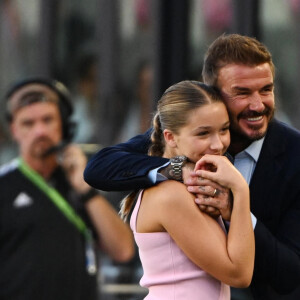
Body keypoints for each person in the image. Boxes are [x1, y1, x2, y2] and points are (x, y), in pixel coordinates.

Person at [84, 34, 300, 299]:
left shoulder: (295, 155)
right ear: (213, 94)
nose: (257, 105)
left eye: (266, 90)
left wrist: (236, 208)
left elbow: (290, 271)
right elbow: (99, 167)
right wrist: (176, 169)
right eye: (242, 93)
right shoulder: (181, 139)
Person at [0, 78, 135, 300]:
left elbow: (123, 250)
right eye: (28, 123)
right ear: (15, 130)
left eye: (48, 120)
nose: (40, 131)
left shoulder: (78, 183)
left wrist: (85, 189)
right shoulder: (4, 186)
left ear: (62, 124)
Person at [121, 80, 254, 299]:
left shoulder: (190, 186)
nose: (218, 144)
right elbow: (239, 274)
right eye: (203, 134)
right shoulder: (171, 195)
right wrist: (240, 189)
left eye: (224, 130)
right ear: (171, 137)